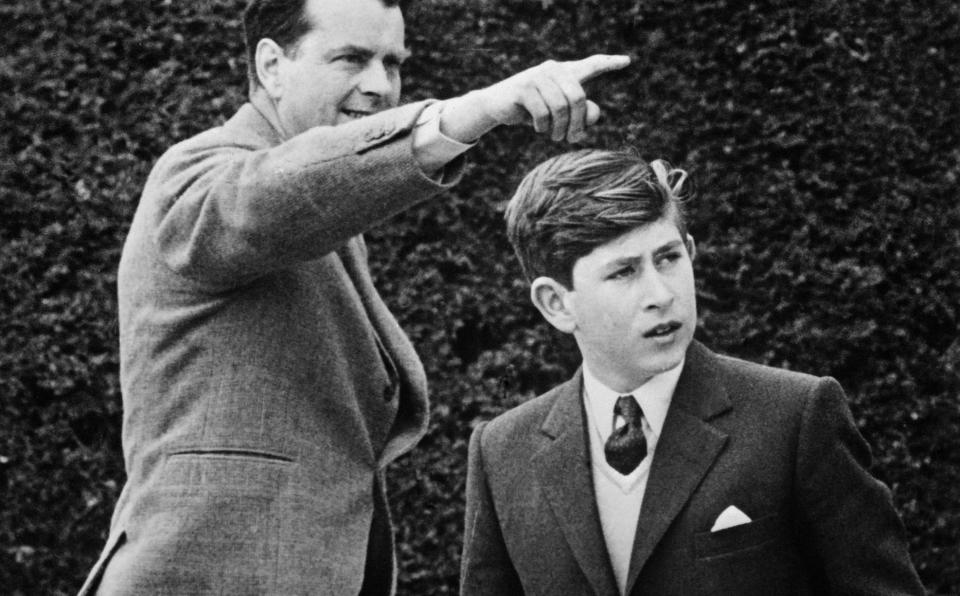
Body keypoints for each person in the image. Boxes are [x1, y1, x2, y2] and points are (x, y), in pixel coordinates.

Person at [77, 0, 630, 593]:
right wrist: (471, 114)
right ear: (271, 66)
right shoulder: (196, 175)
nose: (380, 86)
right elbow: (273, 197)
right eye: (351, 59)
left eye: (392, 63)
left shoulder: (332, 218)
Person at [459, 148, 925, 595]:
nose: (661, 293)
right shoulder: (503, 452)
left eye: (668, 257)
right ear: (556, 303)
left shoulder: (794, 418)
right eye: (623, 272)